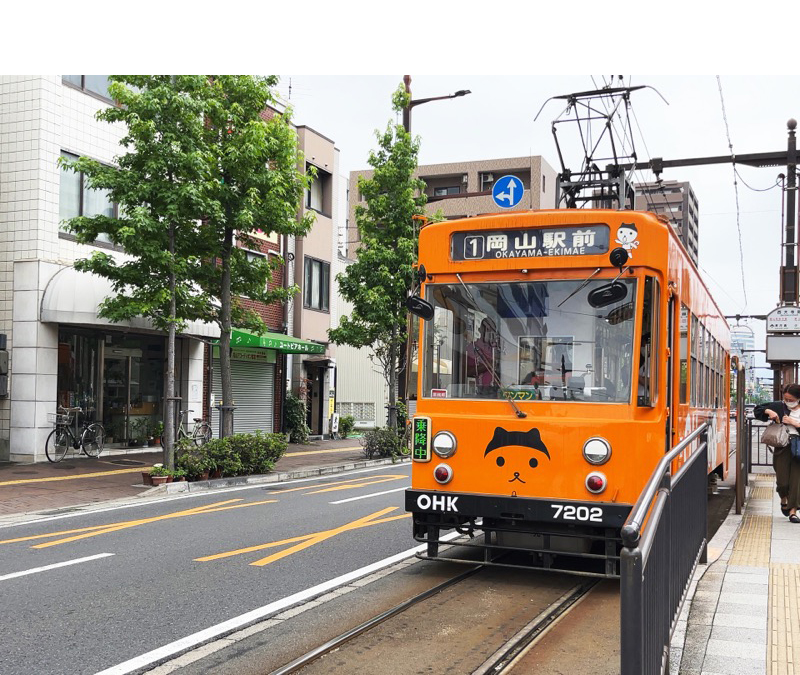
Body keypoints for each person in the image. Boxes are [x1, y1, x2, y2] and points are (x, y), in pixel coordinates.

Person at [754, 383, 800, 523]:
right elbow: (758, 409)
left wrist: (796, 423)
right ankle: (783, 498)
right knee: (782, 481)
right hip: (783, 446)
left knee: (796, 481)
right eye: (786, 399)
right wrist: (769, 412)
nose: (788, 402)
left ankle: (793, 511)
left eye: (791, 399)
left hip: (799, 446)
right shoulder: (780, 406)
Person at [466, 318, 497, 396]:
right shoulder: (472, 347)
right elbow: (466, 372)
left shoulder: (497, 349)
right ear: (480, 330)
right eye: (486, 329)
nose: (488, 332)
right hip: (480, 390)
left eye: (491, 330)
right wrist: (488, 366)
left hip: (496, 390)